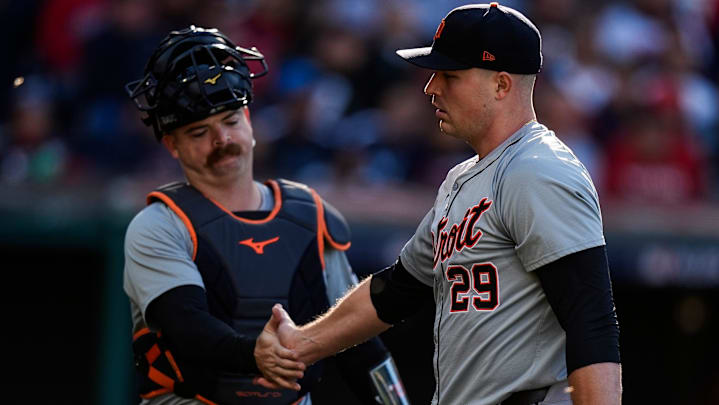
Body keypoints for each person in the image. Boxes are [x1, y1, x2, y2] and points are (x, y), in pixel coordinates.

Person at [255, 3, 622, 405]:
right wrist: (301, 343)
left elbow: (591, 320)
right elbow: (398, 289)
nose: (431, 87)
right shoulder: (463, 178)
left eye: (450, 75)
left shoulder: (537, 169)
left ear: (501, 85)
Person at [122, 25, 405, 405]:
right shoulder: (159, 225)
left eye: (230, 121)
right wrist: (256, 356)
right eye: (199, 132)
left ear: (250, 121)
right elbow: (185, 327)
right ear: (172, 145)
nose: (221, 140)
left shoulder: (308, 213)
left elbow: (358, 340)